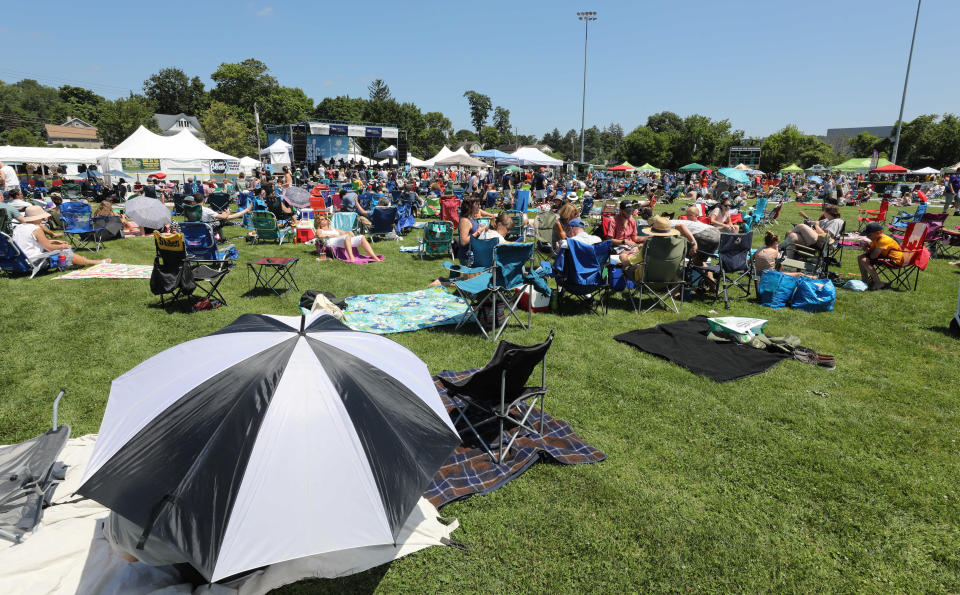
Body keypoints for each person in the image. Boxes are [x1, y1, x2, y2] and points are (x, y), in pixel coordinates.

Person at [12, 206, 108, 269]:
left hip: (19, 261)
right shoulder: (36, 229)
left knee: (61, 248)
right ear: (36, 217)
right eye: (41, 217)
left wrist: (55, 241)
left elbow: (31, 242)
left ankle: (74, 263)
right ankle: (93, 262)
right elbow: (48, 247)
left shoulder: (18, 227)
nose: (42, 219)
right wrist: (63, 246)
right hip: (33, 262)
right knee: (64, 252)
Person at [314, 214, 383, 262]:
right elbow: (320, 236)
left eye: (326, 218)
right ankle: (352, 258)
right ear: (318, 222)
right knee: (346, 237)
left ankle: (374, 257)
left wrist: (349, 232)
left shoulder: (334, 229)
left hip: (342, 240)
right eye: (322, 219)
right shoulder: (320, 230)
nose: (325, 219)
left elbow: (344, 232)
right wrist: (332, 235)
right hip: (331, 242)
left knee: (362, 237)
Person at [857, 221, 902, 290]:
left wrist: (868, 251)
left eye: (869, 235)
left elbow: (873, 256)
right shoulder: (876, 239)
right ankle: (865, 279)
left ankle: (878, 283)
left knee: (864, 259)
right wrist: (865, 248)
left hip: (895, 261)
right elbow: (870, 252)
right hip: (886, 256)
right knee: (860, 256)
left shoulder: (883, 240)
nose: (867, 237)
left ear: (878, 233)